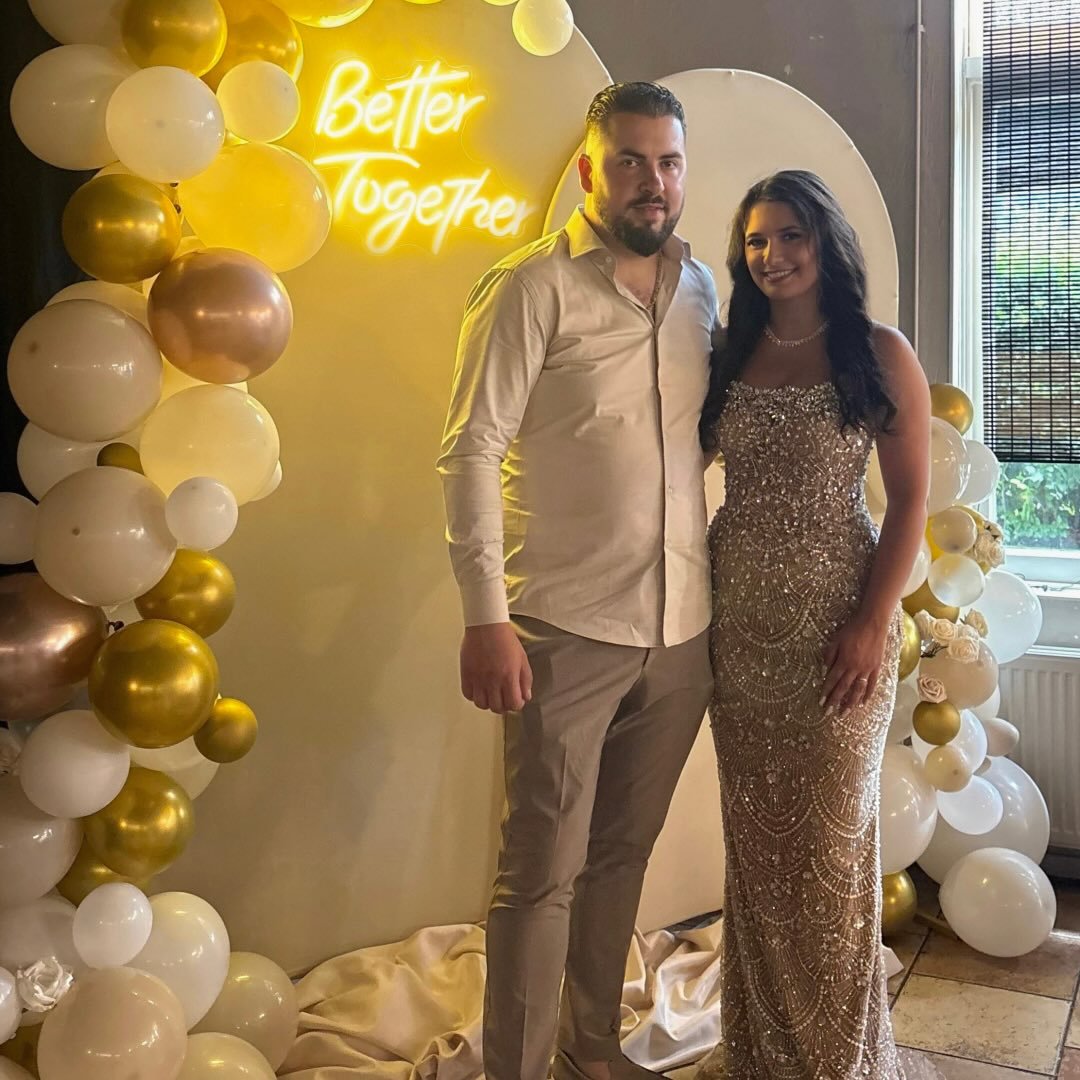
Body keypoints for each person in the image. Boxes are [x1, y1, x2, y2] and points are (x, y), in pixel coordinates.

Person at [437, 82, 717, 1080]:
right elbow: (471, 450)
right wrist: (487, 619)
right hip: (562, 629)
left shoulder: (700, 288)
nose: (653, 182)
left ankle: (589, 1050)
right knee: (538, 876)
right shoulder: (529, 287)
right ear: (591, 169)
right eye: (632, 160)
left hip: (682, 634)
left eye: (669, 162)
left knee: (619, 861)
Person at [697, 170, 931, 1079]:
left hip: (841, 634)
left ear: (825, 240)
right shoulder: (728, 353)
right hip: (738, 635)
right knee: (758, 856)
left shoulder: (875, 351)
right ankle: (761, 1055)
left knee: (829, 856)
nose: (773, 255)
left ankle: (836, 1062)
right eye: (757, 240)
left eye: (791, 235)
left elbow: (909, 502)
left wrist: (874, 623)